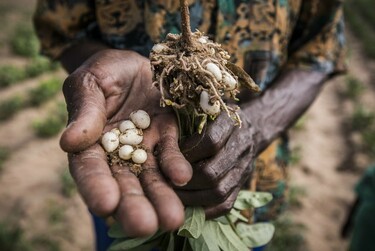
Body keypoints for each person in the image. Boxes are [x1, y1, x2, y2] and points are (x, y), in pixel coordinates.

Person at [33, 0, 346, 250]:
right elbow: (62, 30)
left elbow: (320, 48)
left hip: (245, 178)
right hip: (130, 185)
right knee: (131, 227)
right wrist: (103, 70)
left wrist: (257, 125)